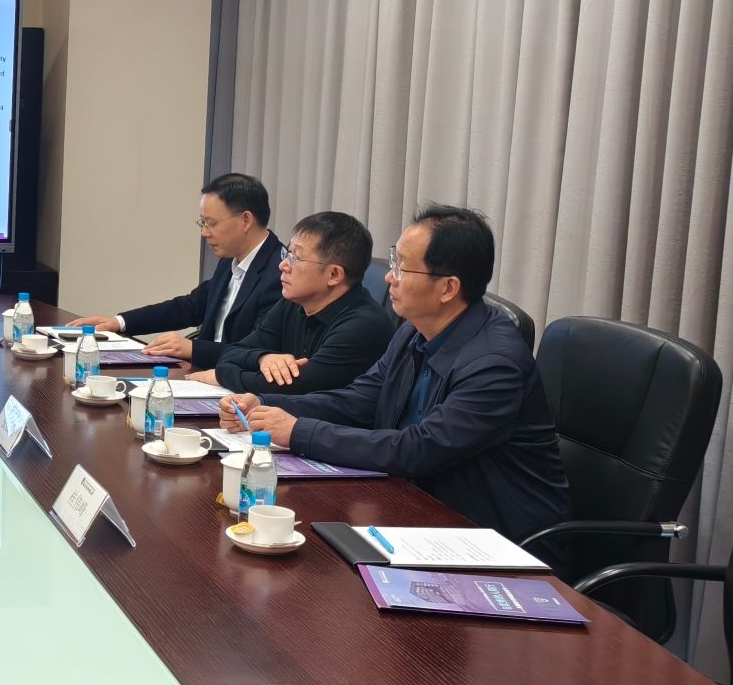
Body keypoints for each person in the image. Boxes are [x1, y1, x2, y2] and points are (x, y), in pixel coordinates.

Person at [221, 205, 569, 543]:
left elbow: (419, 449)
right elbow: (358, 400)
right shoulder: (413, 332)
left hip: (492, 537)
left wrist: (298, 431)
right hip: (417, 510)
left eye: (402, 268)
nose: (389, 277)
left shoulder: (494, 364)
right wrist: (265, 404)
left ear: (448, 288)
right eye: (393, 262)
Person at [71, 173, 283, 368]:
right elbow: (190, 307)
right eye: (202, 223)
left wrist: (193, 348)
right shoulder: (230, 259)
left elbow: (257, 352)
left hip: (236, 385)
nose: (204, 233)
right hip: (202, 376)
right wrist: (119, 322)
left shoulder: (281, 274)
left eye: (211, 223)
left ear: (245, 220)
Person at [185, 210, 394, 395]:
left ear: (334, 275)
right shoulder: (293, 303)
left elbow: (293, 388)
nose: (283, 265)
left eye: (296, 258)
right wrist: (263, 358)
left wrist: (222, 375)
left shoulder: (363, 326)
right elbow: (230, 354)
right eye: (287, 253)